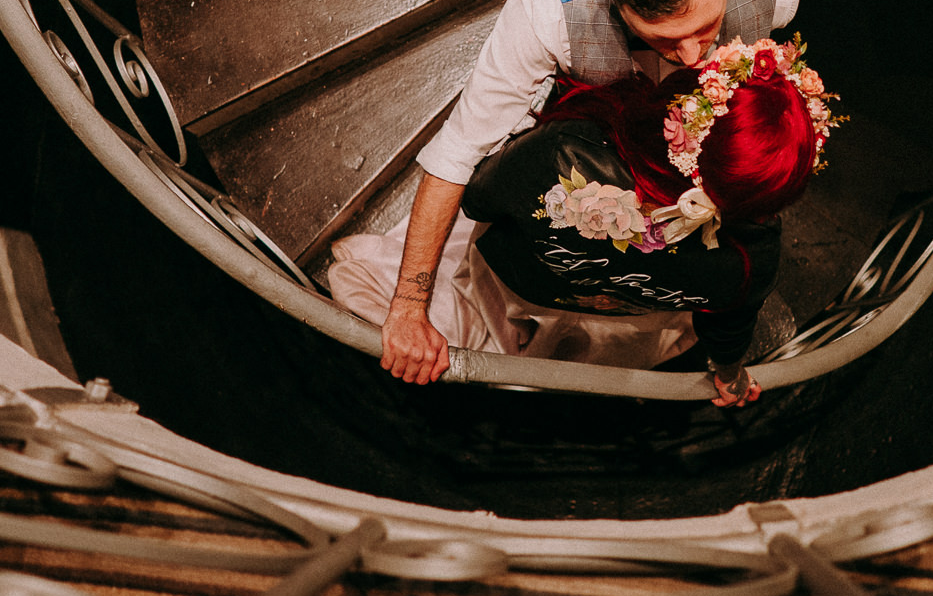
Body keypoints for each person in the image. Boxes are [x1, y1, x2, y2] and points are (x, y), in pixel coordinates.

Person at [351, 0, 803, 398]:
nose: (692, 57)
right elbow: (459, 149)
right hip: (597, 144)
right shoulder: (547, 8)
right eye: (662, 39)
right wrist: (410, 307)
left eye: (705, 28)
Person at [328, 36, 835, 405]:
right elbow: (728, 329)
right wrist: (728, 376)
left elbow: (478, 201)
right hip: (624, 327)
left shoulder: (561, 155)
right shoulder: (755, 259)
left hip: (512, 291)